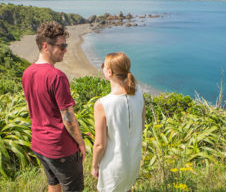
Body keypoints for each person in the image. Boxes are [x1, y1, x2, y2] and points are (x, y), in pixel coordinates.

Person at [22, 21, 85, 192]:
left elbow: (32, 107)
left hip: (39, 144)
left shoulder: (27, 73)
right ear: (45, 46)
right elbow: (68, 118)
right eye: (61, 46)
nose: (65, 50)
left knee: (53, 186)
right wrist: (80, 143)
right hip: (60, 148)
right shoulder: (57, 77)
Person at [91, 52, 146, 192]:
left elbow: (99, 145)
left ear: (109, 72)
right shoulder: (139, 94)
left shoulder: (102, 104)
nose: (102, 67)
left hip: (113, 166)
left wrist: (94, 166)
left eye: (103, 65)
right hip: (132, 162)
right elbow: (141, 126)